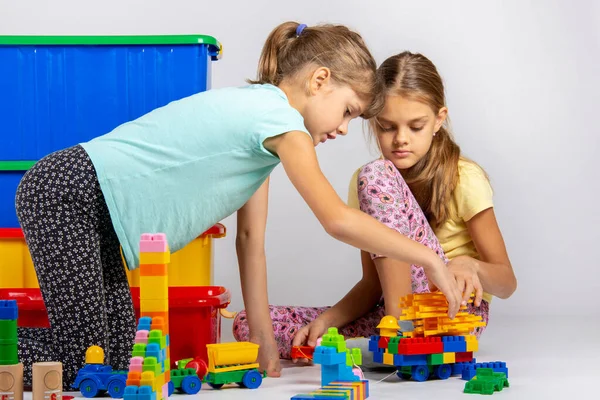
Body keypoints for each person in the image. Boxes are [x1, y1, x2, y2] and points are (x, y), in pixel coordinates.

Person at [15, 24, 462, 387]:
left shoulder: (261, 130)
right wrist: (426, 256)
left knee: (116, 357)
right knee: (84, 358)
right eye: (347, 111)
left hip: (91, 210)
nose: (345, 129)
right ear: (320, 80)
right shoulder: (282, 125)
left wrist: (265, 341)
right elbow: (337, 219)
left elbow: (250, 239)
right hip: (67, 192)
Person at [233, 51, 517, 363]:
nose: (401, 140)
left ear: (438, 120)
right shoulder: (367, 185)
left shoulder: (464, 177)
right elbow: (372, 285)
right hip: (388, 311)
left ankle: (398, 337)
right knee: (249, 322)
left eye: (416, 126)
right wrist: (327, 322)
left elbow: (507, 282)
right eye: (387, 127)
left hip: (451, 311)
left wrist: (470, 265)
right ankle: (380, 336)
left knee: (375, 174)